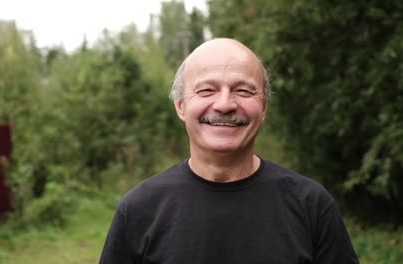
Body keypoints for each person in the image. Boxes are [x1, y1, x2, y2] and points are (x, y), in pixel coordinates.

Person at [99, 38, 359, 263]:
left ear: (264, 108)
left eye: (243, 90)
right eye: (206, 90)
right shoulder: (138, 210)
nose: (224, 104)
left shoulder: (311, 206)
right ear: (180, 105)